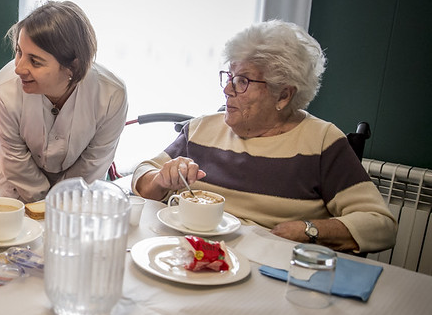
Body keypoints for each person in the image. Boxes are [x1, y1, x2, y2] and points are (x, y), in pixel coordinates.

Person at [133, 20, 396, 253]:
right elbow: (142, 176)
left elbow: (380, 224)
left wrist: (309, 230)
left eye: (242, 81)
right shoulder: (202, 128)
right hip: (192, 255)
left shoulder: (321, 141)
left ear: (283, 95)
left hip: (270, 267)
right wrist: (161, 179)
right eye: (229, 76)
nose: (227, 89)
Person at [0, 1, 128, 203]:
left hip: (77, 187)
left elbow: (92, 165)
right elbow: (16, 161)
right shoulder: (5, 87)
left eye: (35, 61)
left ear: (73, 66)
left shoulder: (111, 96)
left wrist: (61, 207)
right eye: (19, 52)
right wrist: (43, 208)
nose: (19, 68)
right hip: (15, 183)